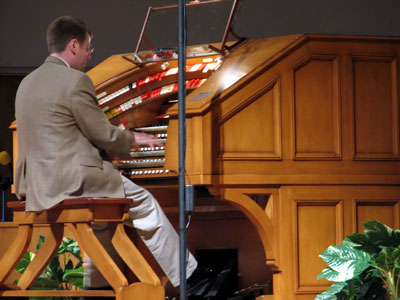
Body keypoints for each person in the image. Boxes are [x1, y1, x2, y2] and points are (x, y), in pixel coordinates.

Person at [14, 16, 211, 293]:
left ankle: (97, 288)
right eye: (88, 49)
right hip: (74, 182)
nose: (88, 56)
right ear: (73, 45)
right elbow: (103, 134)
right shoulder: (75, 81)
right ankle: (190, 277)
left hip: (37, 186)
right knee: (145, 204)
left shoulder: (27, 83)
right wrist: (135, 139)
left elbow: (60, 133)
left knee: (104, 220)